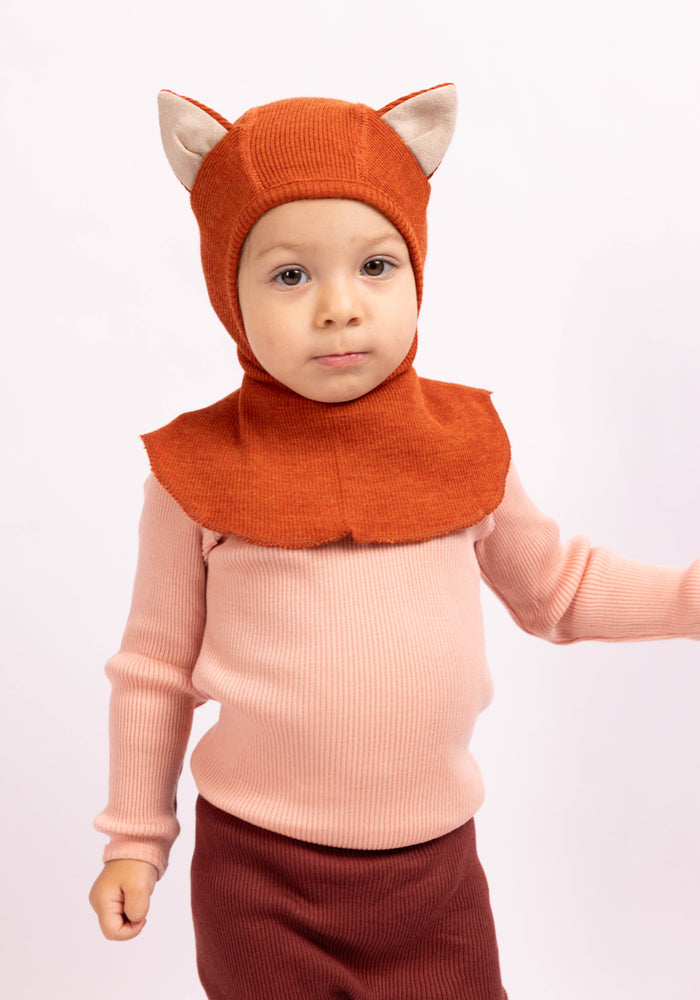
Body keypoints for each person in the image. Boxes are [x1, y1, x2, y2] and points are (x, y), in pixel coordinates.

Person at [89, 84, 699, 1000]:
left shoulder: (464, 447)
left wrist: (688, 599)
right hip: (260, 876)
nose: (339, 306)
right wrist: (135, 841)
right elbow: (155, 670)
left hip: (436, 874)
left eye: (375, 265)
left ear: (416, 270)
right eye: (290, 276)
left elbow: (559, 590)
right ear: (227, 292)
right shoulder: (196, 473)